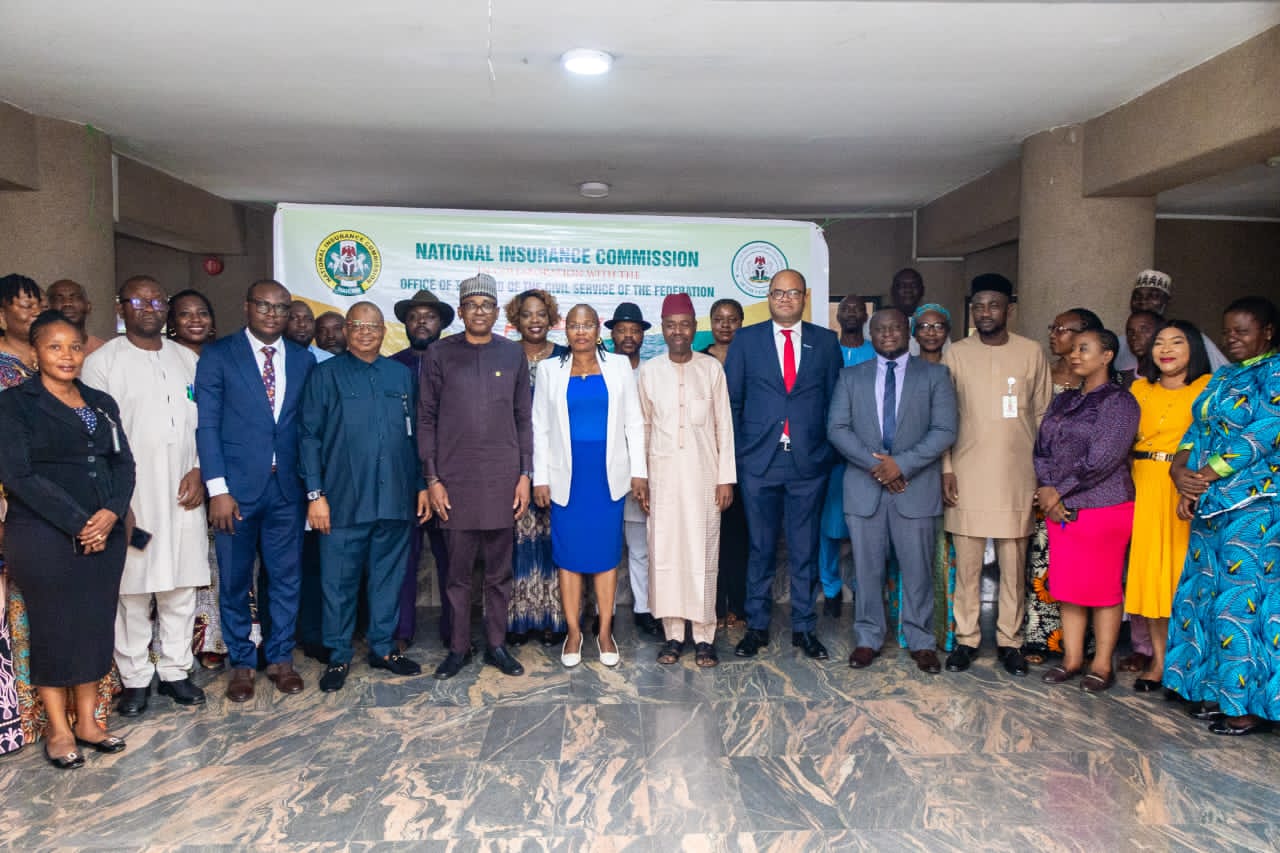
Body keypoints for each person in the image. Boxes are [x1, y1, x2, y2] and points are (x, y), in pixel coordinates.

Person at [0, 310, 135, 767]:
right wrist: (81, 522)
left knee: (94, 624)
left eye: (74, 346)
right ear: (35, 351)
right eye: (54, 346)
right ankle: (58, 730)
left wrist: (111, 514)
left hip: (106, 533)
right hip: (43, 534)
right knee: (56, 629)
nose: (67, 355)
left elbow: (124, 465)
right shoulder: (14, 404)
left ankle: (89, 722)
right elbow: (18, 475)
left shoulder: (100, 402)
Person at [81, 276, 208, 716]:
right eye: (139, 300)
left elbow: (205, 424)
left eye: (158, 300)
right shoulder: (102, 362)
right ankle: (135, 678)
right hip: (132, 500)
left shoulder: (186, 359)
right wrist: (118, 503)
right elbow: (94, 439)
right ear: (122, 308)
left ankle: (176, 671)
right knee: (132, 591)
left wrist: (200, 469)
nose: (150, 307)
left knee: (181, 585)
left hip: (184, 493)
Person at [195, 279, 316, 702]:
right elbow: (207, 425)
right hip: (236, 492)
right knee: (234, 581)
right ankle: (242, 663)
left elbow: (306, 428)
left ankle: (280, 658)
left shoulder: (303, 360)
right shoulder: (218, 355)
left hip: (287, 490)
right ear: (247, 308)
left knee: (286, 577)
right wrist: (217, 489)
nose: (272, 314)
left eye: (281, 308)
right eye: (264, 306)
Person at [300, 302, 429, 692]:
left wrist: (421, 485)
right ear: (346, 330)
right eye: (357, 325)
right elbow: (308, 437)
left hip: (395, 497)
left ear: (383, 330)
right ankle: (339, 655)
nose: (366, 332)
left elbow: (415, 436)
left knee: (388, 579)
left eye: (373, 326)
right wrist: (315, 494)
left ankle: (384, 648)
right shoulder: (325, 375)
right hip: (341, 501)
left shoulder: (400, 374)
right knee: (338, 582)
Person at [1166, 297, 1279, 736]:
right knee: (1208, 599)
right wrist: (1181, 472)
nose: (1232, 339)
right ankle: (1213, 691)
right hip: (1211, 502)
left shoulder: (1275, 372)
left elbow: (1266, 430)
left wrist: (1206, 475)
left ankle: (1246, 707)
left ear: (1267, 332)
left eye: (1243, 331)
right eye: (1228, 331)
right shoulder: (1224, 377)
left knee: (1243, 605)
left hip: (1255, 506)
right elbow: (1197, 429)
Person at [829, 308, 957, 673]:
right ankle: (868, 638)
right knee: (866, 571)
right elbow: (836, 428)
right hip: (864, 489)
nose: (888, 334)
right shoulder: (850, 376)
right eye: (880, 329)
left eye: (895, 327)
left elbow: (945, 429)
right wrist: (880, 467)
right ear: (871, 334)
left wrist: (901, 465)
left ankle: (921, 641)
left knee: (917, 570)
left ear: (909, 332)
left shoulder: (935, 375)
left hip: (915, 488)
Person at [725, 269, 842, 661]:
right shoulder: (746, 340)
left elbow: (834, 403)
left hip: (808, 464)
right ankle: (756, 627)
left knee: (804, 547)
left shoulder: (825, 342)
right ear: (769, 297)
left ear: (804, 297)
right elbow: (733, 403)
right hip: (759, 462)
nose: (786, 299)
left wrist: (825, 451)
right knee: (760, 548)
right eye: (778, 292)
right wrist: (742, 455)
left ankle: (805, 628)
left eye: (793, 293)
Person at [418, 273, 530, 680]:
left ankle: (497, 645)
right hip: (454, 483)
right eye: (472, 305)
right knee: (457, 574)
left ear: (497, 313)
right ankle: (459, 648)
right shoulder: (439, 354)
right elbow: (426, 418)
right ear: (461, 312)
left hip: (503, 481)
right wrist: (432, 479)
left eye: (487, 305)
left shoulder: (511, 354)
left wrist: (525, 475)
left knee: (499, 573)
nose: (480, 311)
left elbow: (523, 418)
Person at [941, 274, 1052, 677]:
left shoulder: (1031, 352)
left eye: (993, 305)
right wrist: (946, 468)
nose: (985, 313)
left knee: (1013, 564)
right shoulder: (957, 353)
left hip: (1017, 475)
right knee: (967, 565)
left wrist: (1045, 475)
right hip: (967, 473)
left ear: (1009, 309)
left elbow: (1042, 416)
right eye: (978, 306)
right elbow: (944, 417)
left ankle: (1010, 641)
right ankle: (966, 639)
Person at [533, 304, 646, 668]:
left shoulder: (618, 368)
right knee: (568, 558)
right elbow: (541, 429)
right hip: (567, 477)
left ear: (598, 329)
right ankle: (574, 633)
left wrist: (639, 471)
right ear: (565, 330)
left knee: (605, 556)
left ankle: (605, 632)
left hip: (606, 477)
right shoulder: (550, 370)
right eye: (574, 325)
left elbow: (633, 424)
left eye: (587, 325)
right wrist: (541, 478)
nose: (580, 331)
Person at [1034, 329, 1140, 693]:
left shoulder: (1119, 403)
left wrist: (1057, 491)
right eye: (1074, 349)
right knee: (1068, 586)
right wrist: (1048, 489)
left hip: (1104, 506)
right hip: (1060, 506)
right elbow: (1042, 448)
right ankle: (1072, 659)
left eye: (1085, 349)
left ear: (1107, 356)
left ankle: (1101, 664)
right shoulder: (1063, 401)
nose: (1075, 355)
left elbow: (1102, 459)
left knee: (1103, 588)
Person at [638, 294, 735, 667]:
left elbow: (723, 426)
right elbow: (642, 426)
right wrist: (641, 477)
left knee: (702, 554)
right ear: (663, 329)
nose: (678, 331)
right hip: (661, 478)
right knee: (665, 554)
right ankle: (674, 635)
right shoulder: (650, 371)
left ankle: (705, 635)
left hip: (704, 477)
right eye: (671, 325)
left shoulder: (711, 370)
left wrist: (726, 478)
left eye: (684, 324)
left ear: (695, 329)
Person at [1123, 320, 1212, 692]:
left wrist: (1195, 485)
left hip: (1183, 486)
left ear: (1193, 348)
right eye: (1159, 342)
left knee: (1181, 579)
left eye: (1177, 342)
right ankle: (1159, 662)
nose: (1166, 349)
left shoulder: (1208, 388)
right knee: (1150, 579)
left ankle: (1190, 666)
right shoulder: (1138, 389)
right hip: (1142, 483)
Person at [1022, 308, 1103, 664]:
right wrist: (1045, 486)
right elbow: (1035, 437)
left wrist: (1065, 488)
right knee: (1041, 561)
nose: (1054, 334)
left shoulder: (1103, 387)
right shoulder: (1043, 376)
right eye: (1052, 327)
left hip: (1087, 490)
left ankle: (1081, 644)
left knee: (1082, 567)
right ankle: (1040, 638)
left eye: (1063, 329)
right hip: (1046, 486)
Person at [164, 289, 225, 668]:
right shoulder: (163, 360)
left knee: (217, 563)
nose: (195, 320)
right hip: (173, 472)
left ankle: (212, 642)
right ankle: (172, 649)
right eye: (185, 314)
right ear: (172, 322)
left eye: (202, 312)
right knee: (171, 565)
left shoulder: (223, 359)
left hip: (218, 472)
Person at [390, 289, 453, 650]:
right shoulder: (392, 366)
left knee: (452, 563)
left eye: (429, 316)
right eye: (414, 317)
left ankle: (454, 633)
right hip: (404, 479)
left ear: (442, 322)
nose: (421, 322)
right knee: (403, 560)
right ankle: (401, 632)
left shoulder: (456, 363)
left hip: (449, 480)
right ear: (405, 324)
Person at [505, 289, 568, 647]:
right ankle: (518, 620)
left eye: (541, 314)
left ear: (551, 318)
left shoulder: (565, 358)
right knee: (517, 542)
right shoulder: (505, 354)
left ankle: (553, 619)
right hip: (513, 465)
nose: (534, 320)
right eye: (527, 314)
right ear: (515, 319)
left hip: (557, 465)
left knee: (554, 540)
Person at [0, 273, 42, 758]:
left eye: (37, 304)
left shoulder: (57, 357)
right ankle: (22, 708)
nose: (30, 312)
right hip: (16, 500)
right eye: (21, 306)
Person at [817, 295, 876, 621]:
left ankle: (863, 586)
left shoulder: (876, 351)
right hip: (830, 454)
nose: (851, 313)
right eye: (846, 308)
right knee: (828, 526)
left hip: (868, 456)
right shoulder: (827, 351)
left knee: (864, 526)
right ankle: (830, 588)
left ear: (866, 315)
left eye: (857, 308)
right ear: (837, 315)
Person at [605, 302, 658, 637]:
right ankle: (603, 612)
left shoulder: (653, 372)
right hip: (606, 475)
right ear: (611, 334)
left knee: (640, 549)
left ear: (642, 335)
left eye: (634, 330)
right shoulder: (600, 369)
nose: (628, 335)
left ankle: (644, 610)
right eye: (622, 329)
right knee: (605, 548)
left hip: (642, 475)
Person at [698, 298, 748, 629]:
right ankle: (711, 606)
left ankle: (737, 607)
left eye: (732, 319)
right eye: (719, 319)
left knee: (737, 537)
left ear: (741, 322)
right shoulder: (698, 359)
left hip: (745, 457)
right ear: (710, 323)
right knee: (707, 538)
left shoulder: (752, 356)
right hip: (703, 459)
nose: (725, 325)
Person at [1115, 270, 1228, 372]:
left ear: (1167, 302)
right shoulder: (1121, 342)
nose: (1143, 301)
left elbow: (1224, 376)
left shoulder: (1190, 336)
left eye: (1153, 296)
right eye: (1137, 296)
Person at [46, 279, 107, 355]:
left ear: (88, 306)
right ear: (47, 308)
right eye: (59, 298)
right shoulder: (39, 351)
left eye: (75, 297)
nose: (67, 303)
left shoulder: (104, 350)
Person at [1119, 310, 1160, 387]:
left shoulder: (1170, 382)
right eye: (1130, 331)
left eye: (1143, 330)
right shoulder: (1121, 379)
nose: (1134, 336)